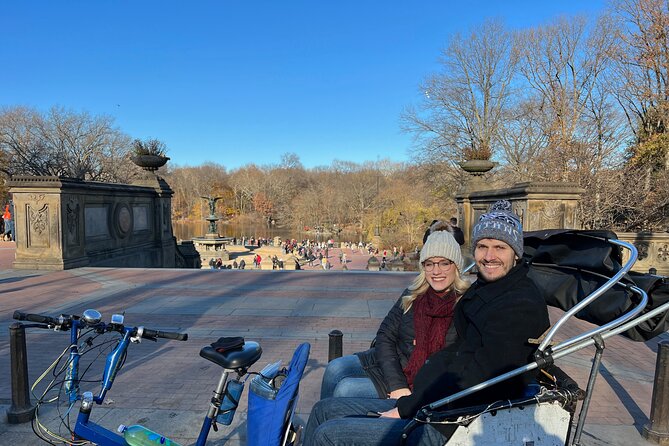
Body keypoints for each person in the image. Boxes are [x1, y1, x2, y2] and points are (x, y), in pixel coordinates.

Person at [303, 200, 550, 446]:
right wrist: (411, 397)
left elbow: (477, 380)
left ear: (516, 253)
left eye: (500, 247)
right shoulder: (485, 292)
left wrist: (410, 406)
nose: (489, 256)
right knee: (324, 409)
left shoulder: (517, 304)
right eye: (483, 246)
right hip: (430, 399)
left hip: (449, 421)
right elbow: (411, 344)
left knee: (329, 431)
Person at [320, 229, 468, 401]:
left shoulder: (465, 304)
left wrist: (402, 388)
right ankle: (323, 423)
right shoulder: (412, 295)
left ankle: (333, 424)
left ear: (456, 266)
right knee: (334, 368)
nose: (436, 271)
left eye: (444, 263)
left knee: (345, 390)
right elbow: (384, 336)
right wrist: (396, 383)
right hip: (392, 365)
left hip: (419, 382)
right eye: (429, 264)